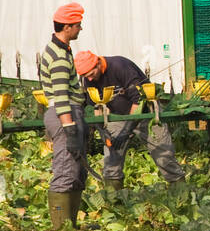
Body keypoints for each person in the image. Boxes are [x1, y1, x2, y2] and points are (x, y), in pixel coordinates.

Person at [75, 51, 185, 193]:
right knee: (112, 160)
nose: (89, 78)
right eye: (85, 76)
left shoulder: (120, 66)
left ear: (98, 63)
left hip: (146, 113)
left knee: (164, 156)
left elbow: (138, 100)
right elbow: (97, 105)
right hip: (117, 116)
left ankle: (181, 192)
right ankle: (114, 199)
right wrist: (102, 131)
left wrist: (126, 131)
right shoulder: (89, 79)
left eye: (91, 73)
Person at [39, 2, 89, 229]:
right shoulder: (59, 56)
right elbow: (60, 96)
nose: (80, 29)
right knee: (66, 171)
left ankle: (71, 226)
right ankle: (61, 230)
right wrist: (69, 128)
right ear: (67, 27)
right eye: (77, 25)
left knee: (77, 171)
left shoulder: (59, 49)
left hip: (67, 113)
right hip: (64, 115)